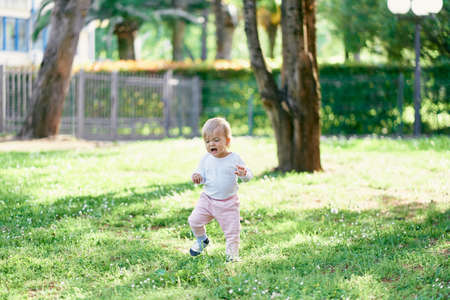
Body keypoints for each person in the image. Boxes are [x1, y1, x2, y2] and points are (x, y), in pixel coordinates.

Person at [188, 117, 253, 262]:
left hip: (228, 203)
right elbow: (201, 175)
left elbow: (248, 175)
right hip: (208, 200)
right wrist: (197, 177)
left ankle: (232, 257)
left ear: (227, 141)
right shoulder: (206, 159)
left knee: (232, 233)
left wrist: (244, 174)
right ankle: (202, 240)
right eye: (208, 141)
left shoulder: (234, 158)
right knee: (194, 221)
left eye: (216, 140)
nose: (211, 143)